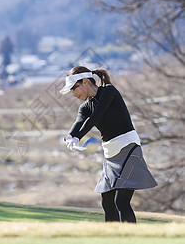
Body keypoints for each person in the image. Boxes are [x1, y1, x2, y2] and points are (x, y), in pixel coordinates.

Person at [60, 66, 157, 223]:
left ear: (85, 82)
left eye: (74, 89)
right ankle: (112, 238)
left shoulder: (109, 92)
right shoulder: (84, 107)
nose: (74, 94)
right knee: (107, 201)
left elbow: (96, 117)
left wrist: (78, 137)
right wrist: (70, 136)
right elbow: (78, 122)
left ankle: (131, 238)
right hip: (110, 154)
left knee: (121, 201)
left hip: (128, 148)